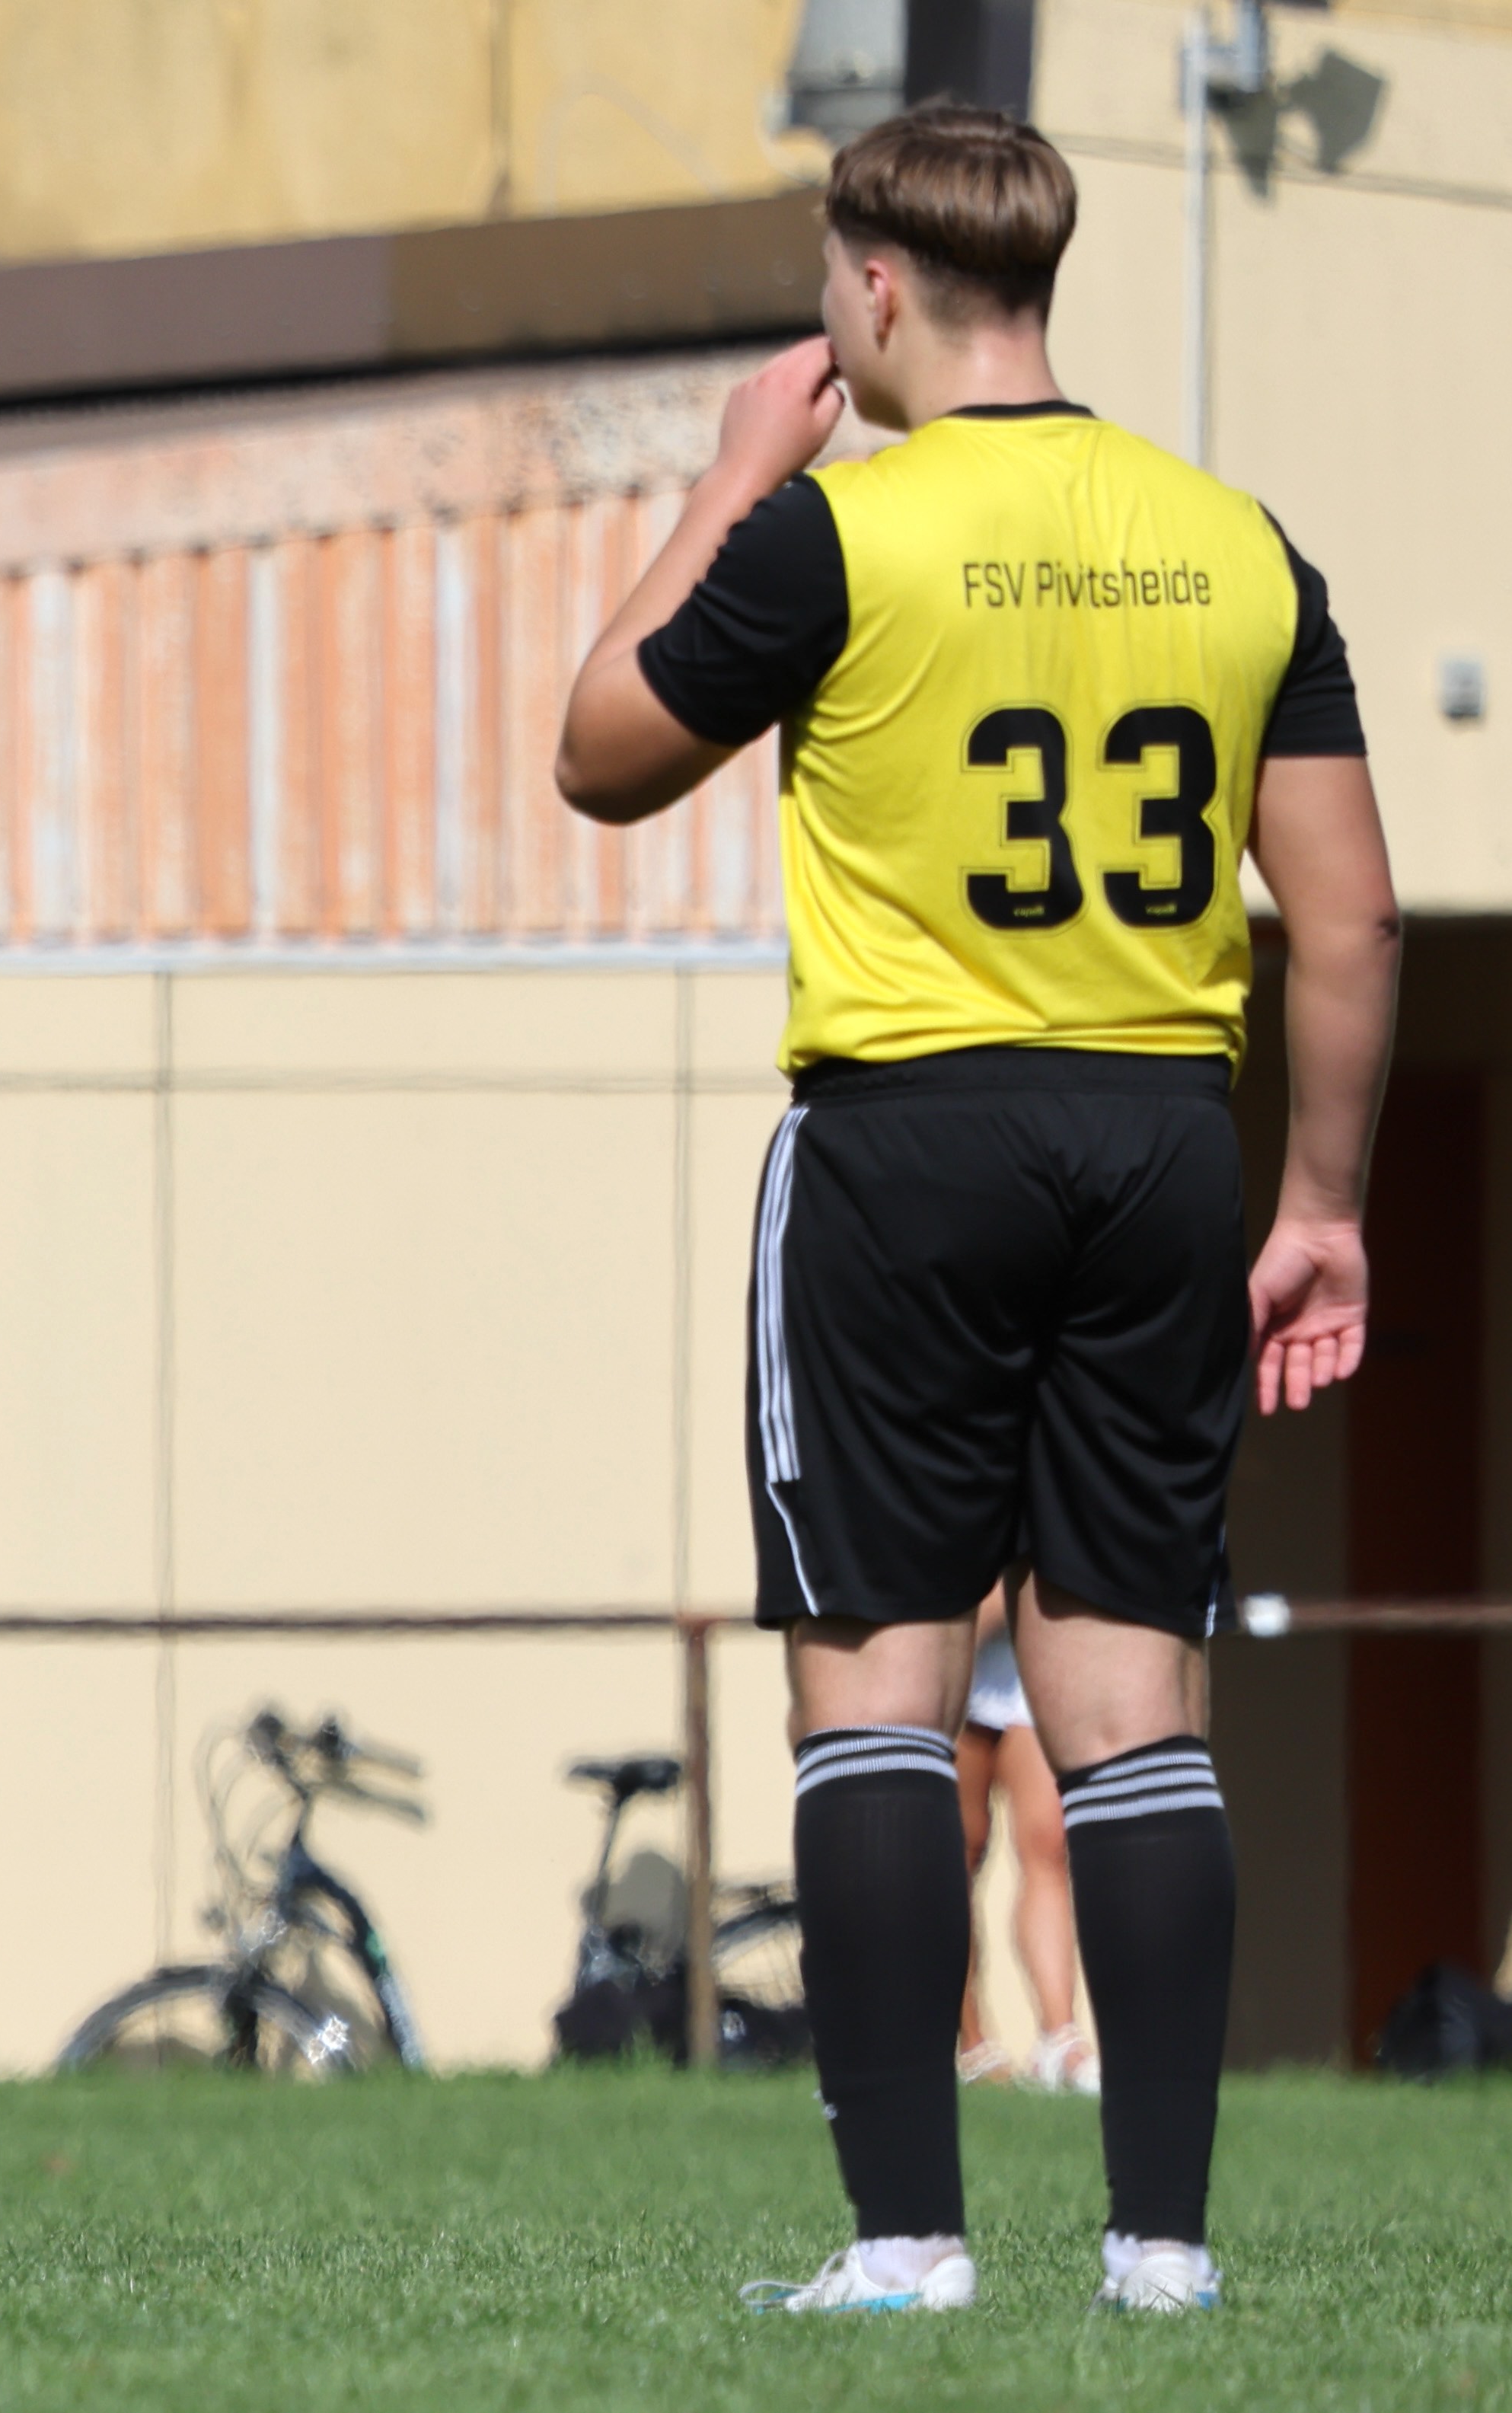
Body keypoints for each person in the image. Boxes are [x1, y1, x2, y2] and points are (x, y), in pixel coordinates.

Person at [556, 105, 1394, 2314]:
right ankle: (1158, 2252)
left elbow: (598, 749)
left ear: (870, 286)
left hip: (902, 1141)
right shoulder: (1231, 540)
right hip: (1155, 1141)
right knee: (1129, 1712)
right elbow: (1348, 919)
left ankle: (907, 2242)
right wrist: (1317, 1199)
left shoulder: (837, 532)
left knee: (874, 1701)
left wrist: (728, 481)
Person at [955, 1586, 1098, 2095]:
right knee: (958, 1852)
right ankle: (971, 2042)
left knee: (1049, 1841)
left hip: (1027, 1661)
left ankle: (1059, 2037)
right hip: (950, 1654)